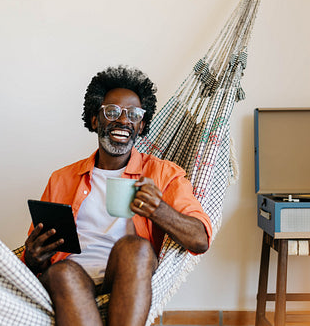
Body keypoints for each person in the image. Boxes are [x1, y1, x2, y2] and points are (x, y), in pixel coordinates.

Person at [22, 66, 212, 326]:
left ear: (141, 124)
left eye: (134, 115)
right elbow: (34, 255)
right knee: (63, 271)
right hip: (70, 278)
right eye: (112, 112)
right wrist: (32, 257)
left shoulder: (162, 174)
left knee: (135, 247)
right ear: (94, 120)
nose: (124, 121)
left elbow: (200, 239)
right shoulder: (62, 178)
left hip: (126, 276)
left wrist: (159, 210)